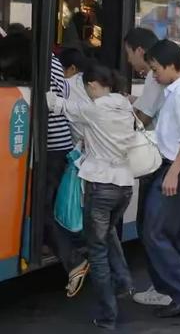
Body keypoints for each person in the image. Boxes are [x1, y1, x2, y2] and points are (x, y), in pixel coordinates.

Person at [47, 64, 135, 330]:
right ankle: (124, 282)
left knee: (96, 252)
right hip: (125, 186)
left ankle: (108, 315)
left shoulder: (95, 109)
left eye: (87, 87)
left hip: (101, 187)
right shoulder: (125, 105)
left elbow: (58, 105)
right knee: (108, 234)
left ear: (94, 85)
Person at [141, 39, 180, 317]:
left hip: (176, 168)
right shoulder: (176, 92)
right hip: (178, 168)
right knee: (178, 236)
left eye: (155, 69)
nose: (154, 75)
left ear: (169, 65)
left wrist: (173, 173)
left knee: (153, 232)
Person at [123, 28, 174, 308]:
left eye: (129, 54)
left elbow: (142, 117)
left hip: (156, 159)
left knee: (151, 227)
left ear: (140, 51)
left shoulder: (156, 79)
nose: (129, 61)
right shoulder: (164, 81)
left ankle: (164, 287)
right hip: (163, 158)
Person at [45, 54, 89, 297]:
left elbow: (49, 100)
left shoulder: (41, 58)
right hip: (59, 143)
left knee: (44, 208)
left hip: (51, 146)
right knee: (51, 206)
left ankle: (74, 261)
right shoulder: (53, 59)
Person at [58, 48, 92, 143]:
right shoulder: (89, 81)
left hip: (78, 143)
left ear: (72, 68)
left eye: (60, 69)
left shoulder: (67, 84)